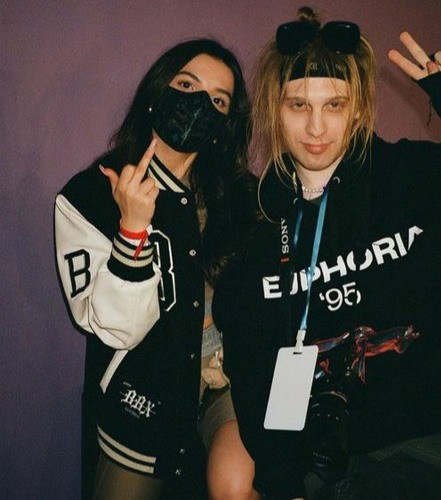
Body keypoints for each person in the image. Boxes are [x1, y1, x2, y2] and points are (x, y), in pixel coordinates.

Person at [213, 6, 441, 500]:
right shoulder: (255, 229)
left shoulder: (419, 181)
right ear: (274, 109)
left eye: (334, 104)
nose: (316, 127)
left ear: (360, 107)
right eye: (298, 105)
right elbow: (255, 378)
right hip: (317, 468)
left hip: (426, 455)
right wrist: (284, 487)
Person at [55, 38, 260, 500]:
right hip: (141, 405)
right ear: (157, 89)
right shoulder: (89, 195)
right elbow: (117, 327)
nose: (199, 104)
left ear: (225, 123)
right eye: (187, 85)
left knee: (238, 486)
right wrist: (132, 230)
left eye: (218, 100)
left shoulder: (238, 194)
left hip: (226, 382)